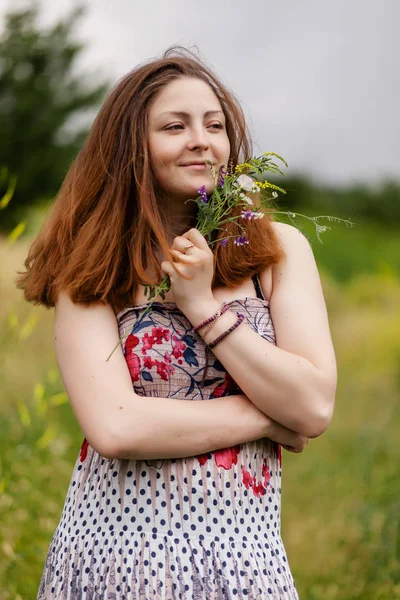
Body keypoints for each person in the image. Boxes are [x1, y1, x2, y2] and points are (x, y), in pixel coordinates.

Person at [18, 46, 337, 599]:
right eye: (175, 125)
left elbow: (313, 406)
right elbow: (117, 427)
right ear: (131, 147)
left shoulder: (278, 252)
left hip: (247, 562)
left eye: (215, 125)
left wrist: (202, 307)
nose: (201, 140)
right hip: (117, 559)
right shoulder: (95, 263)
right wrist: (267, 418)